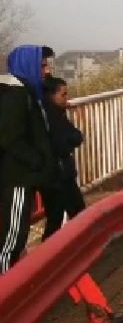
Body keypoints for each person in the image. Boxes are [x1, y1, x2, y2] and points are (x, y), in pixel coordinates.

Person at [0, 45, 57, 273]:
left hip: (24, 175)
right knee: (12, 239)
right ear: (27, 65)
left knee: (18, 234)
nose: (46, 71)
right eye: (42, 65)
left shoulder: (29, 92)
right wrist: (36, 161)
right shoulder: (15, 95)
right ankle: (6, 292)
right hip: (17, 177)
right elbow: (9, 137)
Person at [39, 77, 86, 240]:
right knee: (75, 213)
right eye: (63, 94)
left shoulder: (51, 114)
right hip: (59, 174)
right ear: (52, 95)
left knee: (56, 217)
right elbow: (70, 139)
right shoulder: (52, 117)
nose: (66, 98)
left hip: (56, 173)